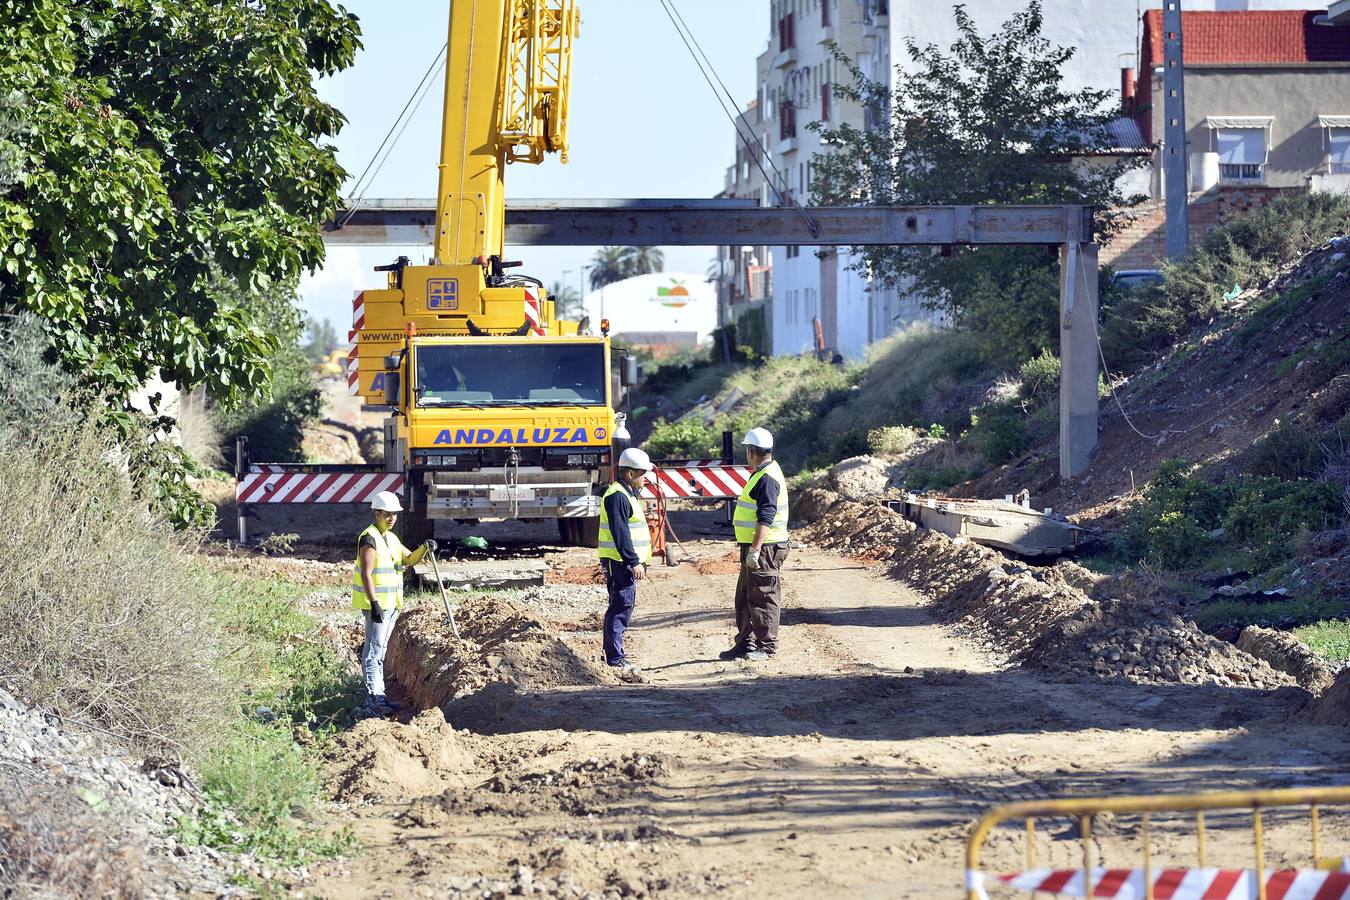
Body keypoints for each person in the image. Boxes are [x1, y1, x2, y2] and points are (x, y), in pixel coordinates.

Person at [353, 490, 434, 714]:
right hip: (378, 605)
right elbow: (366, 575)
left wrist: (425, 548)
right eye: (386, 514)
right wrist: (374, 603)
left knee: (381, 651)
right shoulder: (369, 539)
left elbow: (409, 559)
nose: (391, 518)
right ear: (376, 513)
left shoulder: (391, 538)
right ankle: (374, 699)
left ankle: (379, 695)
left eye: (394, 515)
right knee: (373, 651)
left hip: (391, 605)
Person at [720, 427, 790, 662]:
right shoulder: (764, 473)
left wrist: (756, 549)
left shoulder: (767, 478)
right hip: (758, 547)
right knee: (745, 596)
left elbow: (766, 515)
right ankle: (746, 643)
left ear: (751, 451)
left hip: (766, 548)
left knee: (763, 596)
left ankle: (766, 646)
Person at [597, 447, 655, 673]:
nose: (646, 477)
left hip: (621, 562)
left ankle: (614, 654)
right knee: (620, 606)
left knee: (622, 606)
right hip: (619, 562)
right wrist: (633, 561)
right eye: (643, 473)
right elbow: (620, 533)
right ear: (630, 474)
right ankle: (614, 657)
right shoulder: (617, 496)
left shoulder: (625, 494)